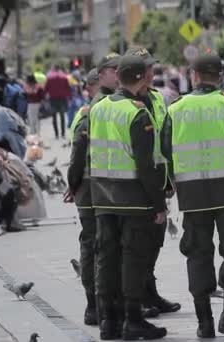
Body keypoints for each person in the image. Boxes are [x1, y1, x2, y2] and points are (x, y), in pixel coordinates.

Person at [169, 54, 224, 338]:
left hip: (192, 195)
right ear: (219, 76)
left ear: (194, 75)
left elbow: (164, 153)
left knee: (197, 253)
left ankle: (204, 322)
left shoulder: (175, 109)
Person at [89, 54, 168, 340]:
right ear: (138, 78)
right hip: (133, 199)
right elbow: (145, 166)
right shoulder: (137, 112)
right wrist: (158, 203)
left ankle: (108, 322)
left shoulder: (98, 108)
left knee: (106, 259)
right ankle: (133, 320)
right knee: (133, 260)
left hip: (102, 197)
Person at [124, 46, 181, 317]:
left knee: (156, 240)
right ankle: (139, 298)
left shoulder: (157, 98)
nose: (152, 72)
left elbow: (166, 139)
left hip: (158, 177)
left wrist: (170, 177)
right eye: (148, 68)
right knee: (139, 245)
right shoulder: (124, 103)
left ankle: (150, 292)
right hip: (135, 184)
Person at [65, 67, 103, 327]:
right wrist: (74, 182)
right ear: (91, 86)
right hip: (90, 189)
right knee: (93, 246)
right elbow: (78, 152)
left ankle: (100, 303)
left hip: (97, 188)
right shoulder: (88, 113)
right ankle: (93, 304)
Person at [44, 64, 71, 139]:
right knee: (62, 116)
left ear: (53, 69)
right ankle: (63, 133)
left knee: (54, 116)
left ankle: (56, 134)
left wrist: (44, 96)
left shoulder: (50, 77)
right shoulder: (64, 77)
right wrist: (69, 97)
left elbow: (46, 88)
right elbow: (68, 88)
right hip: (62, 99)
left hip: (53, 99)